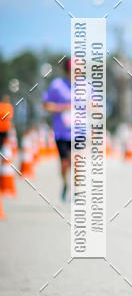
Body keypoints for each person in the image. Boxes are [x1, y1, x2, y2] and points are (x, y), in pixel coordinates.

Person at [43, 58, 72, 201]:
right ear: (67, 70)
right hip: (61, 132)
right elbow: (46, 104)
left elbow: (95, 104)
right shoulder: (57, 85)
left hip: (79, 131)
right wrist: (62, 108)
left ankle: (76, 190)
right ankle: (66, 183)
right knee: (65, 163)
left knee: (77, 161)